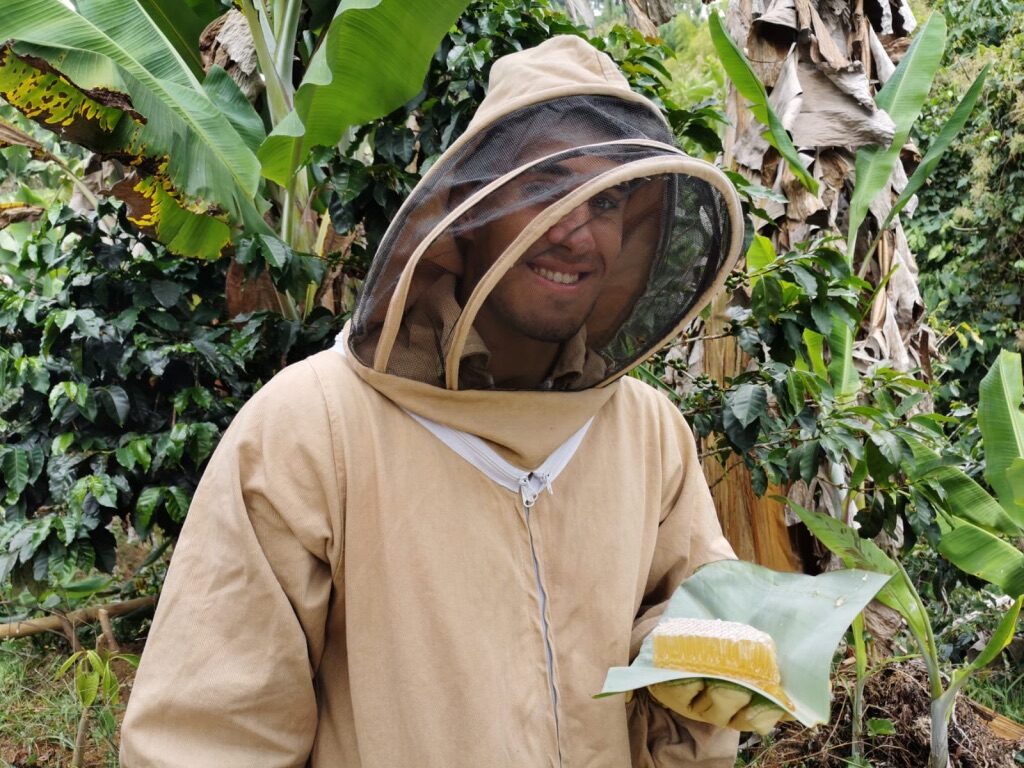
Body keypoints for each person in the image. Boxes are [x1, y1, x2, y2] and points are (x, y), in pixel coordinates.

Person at [120, 35, 754, 767]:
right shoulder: (311, 428)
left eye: (607, 199)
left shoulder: (649, 433)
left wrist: (698, 655)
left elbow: (694, 638)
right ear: (467, 211)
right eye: (543, 187)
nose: (577, 229)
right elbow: (209, 737)